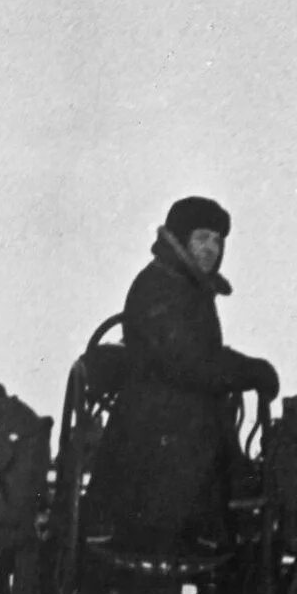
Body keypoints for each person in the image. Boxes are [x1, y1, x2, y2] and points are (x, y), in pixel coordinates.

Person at [88, 196, 280, 556]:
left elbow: (200, 357)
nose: (211, 248)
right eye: (202, 237)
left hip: (171, 424)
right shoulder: (159, 285)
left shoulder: (188, 286)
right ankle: (210, 526)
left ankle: (224, 525)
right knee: (204, 427)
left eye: (218, 241)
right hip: (153, 434)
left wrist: (250, 369)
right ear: (180, 238)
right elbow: (185, 362)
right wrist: (247, 372)